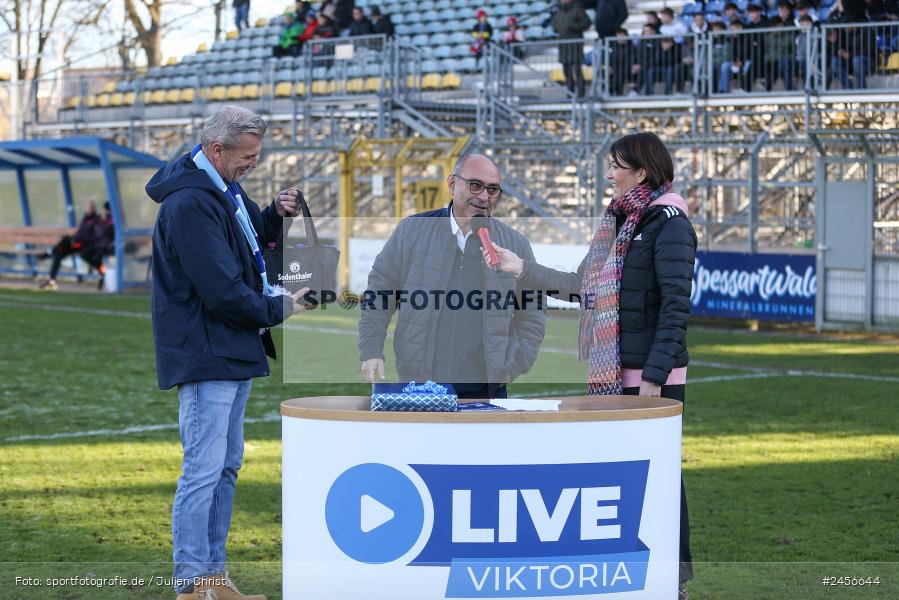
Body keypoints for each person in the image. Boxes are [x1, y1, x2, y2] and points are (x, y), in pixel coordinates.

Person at [480, 132, 696, 600]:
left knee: (657, 476)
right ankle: (631, 571)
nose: (609, 174)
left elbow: (676, 306)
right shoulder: (617, 222)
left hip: (649, 378)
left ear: (641, 171)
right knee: (624, 475)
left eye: (616, 165)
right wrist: (522, 270)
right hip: (613, 372)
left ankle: (672, 580)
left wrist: (655, 377)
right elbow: (582, 285)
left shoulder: (669, 221)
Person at [146, 106, 308, 600]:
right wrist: (279, 308)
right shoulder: (191, 202)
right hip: (208, 349)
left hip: (230, 348)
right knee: (203, 470)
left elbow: (242, 244)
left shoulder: (219, 187)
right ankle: (193, 583)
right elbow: (219, 287)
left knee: (224, 467)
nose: (253, 165)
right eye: (247, 156)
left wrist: (272, 215)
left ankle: (213, 580)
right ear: (217, 150)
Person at [358, 153, 546, 400]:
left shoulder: (515, 244)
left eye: (492, 190)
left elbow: (532, 312)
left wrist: (514, 365)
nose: (483, 197)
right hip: (420, 386)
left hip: (487, 391)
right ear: (452, 184)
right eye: (475, 185)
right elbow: (380, 293)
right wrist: (371, 349)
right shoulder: (412, 231)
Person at [38, 200, 100, 290]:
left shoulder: (96, 220)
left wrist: (75, 240)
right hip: (76, 244)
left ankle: (48, 253)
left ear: (94, 208)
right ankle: (52, 280)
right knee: (58, 253)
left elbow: (92, 235)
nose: (89, 209)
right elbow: (79, 233)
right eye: (88, 207)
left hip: (84, 245)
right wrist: (73, 239)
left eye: (91, 207)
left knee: (65, 240)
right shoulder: (85, 219)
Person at [553, 0, 592, 97]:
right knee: (566, 71)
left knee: (577, 70)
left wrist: (574, 26)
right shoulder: (559, 11)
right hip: (563, 46)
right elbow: (555, 26)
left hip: (575, 45)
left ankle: (581, 94)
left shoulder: (578, 9)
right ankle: (570, 94)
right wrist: (556, 27)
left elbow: (587, 22)